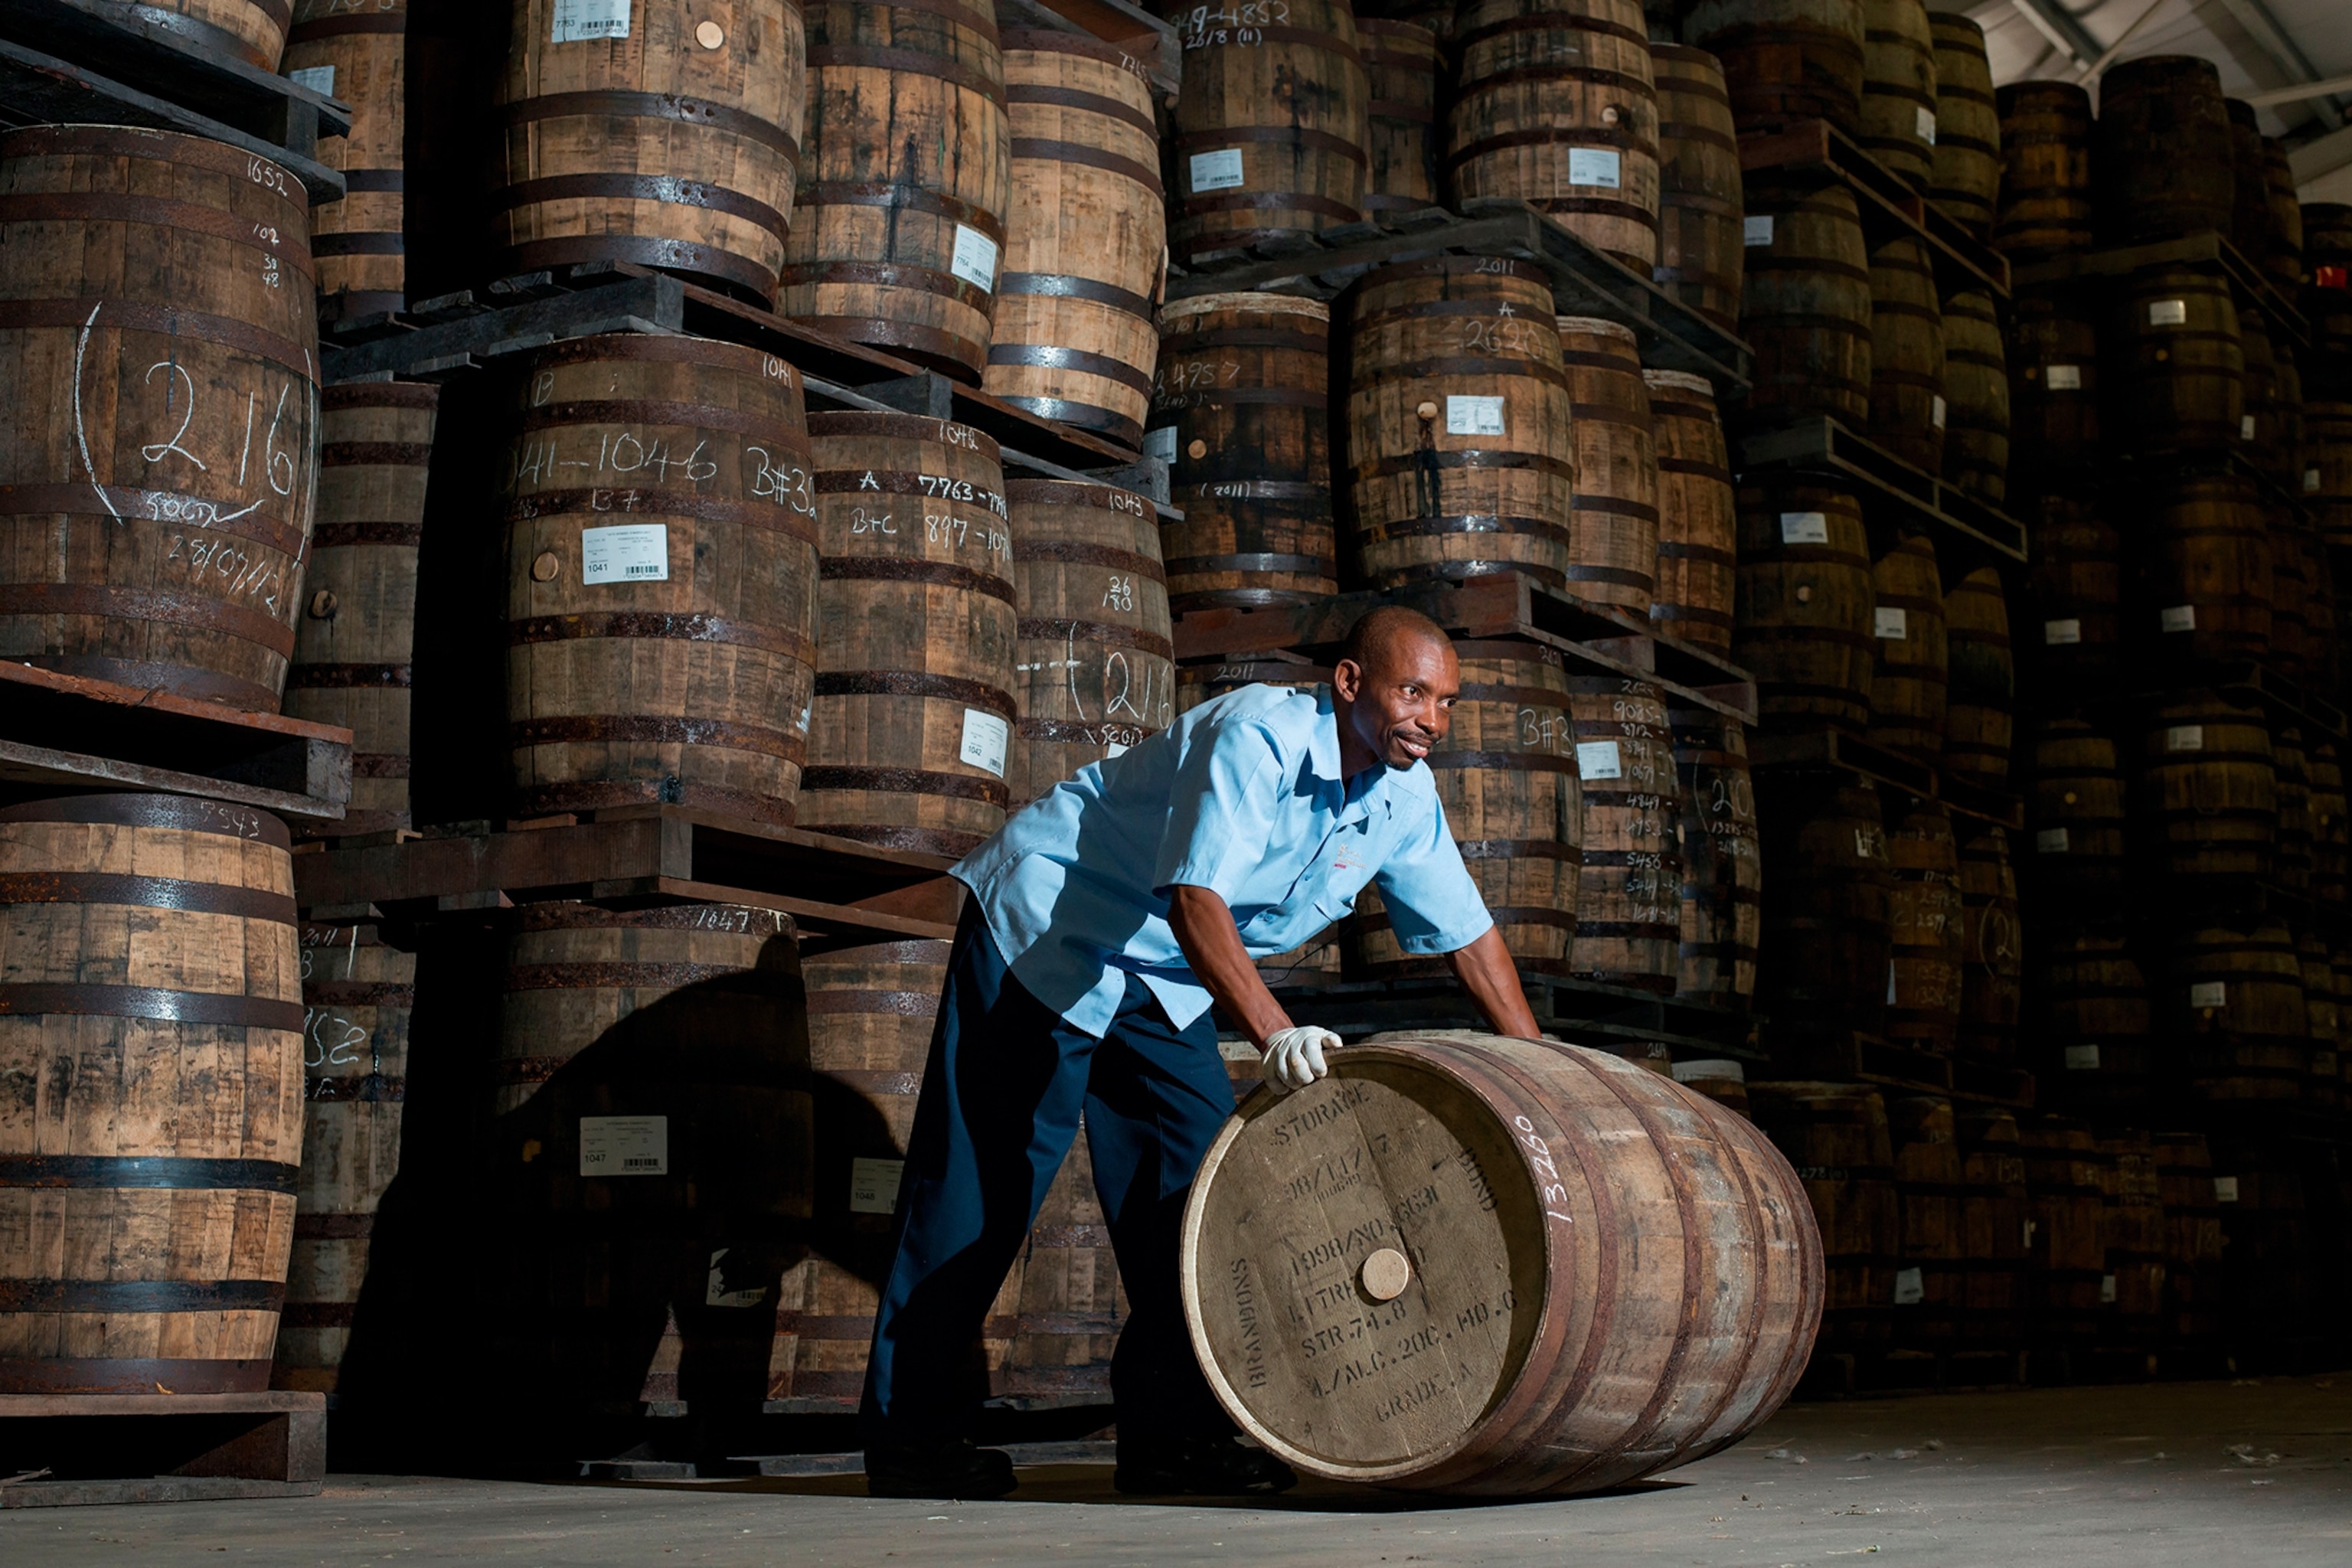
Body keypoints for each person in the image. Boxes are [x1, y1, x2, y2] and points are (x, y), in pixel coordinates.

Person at [858, 604, 1544, 1500]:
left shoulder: (1402, 797)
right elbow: (1195, 899)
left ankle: (1169, 1437)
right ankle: (910, 1438)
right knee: (981, 1186)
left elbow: (1472, 940)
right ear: (1349, 682)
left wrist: (1547, 1078)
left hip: (1163, 975)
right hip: (1056, 927)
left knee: (1198, 1200)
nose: (1432, 719)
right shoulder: (1255, 737)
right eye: (1414, 692)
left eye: (1447, 701)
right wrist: (1275, 1030)